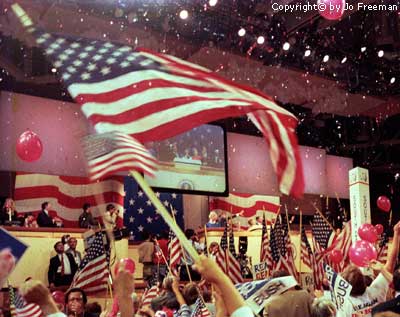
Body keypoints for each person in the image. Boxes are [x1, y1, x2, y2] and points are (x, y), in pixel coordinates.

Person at [339, 221, 400, 317]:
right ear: (363, 281)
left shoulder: (345, 306)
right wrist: (396, 233)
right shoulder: (376, 291)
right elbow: (391, 262)